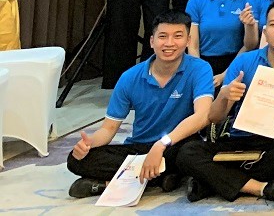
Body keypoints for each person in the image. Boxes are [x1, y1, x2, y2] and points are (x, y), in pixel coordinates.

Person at [176, 0, 274, 205]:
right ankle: (260, 187)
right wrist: (224, 96)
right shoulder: (244, 62)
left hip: (273, 143)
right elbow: (214, 117)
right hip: (235, 138)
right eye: (273, 24)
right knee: (187, 153)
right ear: (265, 31)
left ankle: (211, 182)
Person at [66, 11, 213, 199]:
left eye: (177, 36)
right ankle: (160, 176)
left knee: (191, 153)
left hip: (175, 143)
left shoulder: (200, 69)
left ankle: (118, 181)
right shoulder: (129, 77)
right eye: (162, 36)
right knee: (75, 159)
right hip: (140, 147)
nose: (169, 43)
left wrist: (161, 144)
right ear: (152, 41)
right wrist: (88, 144)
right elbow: (108, 129)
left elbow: (202, 116)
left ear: (188, 41)